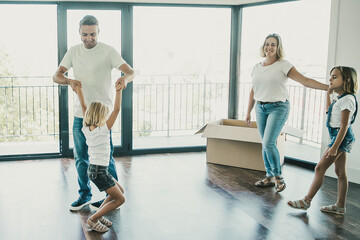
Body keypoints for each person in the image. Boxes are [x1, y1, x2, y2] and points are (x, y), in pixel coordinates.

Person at [53, 15, 134, 211]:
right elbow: (57, 76)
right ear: (79, 33)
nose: (88, 38)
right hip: (81, 115)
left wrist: (125, 79)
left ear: (99, 32)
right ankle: (84, 195)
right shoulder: (73, 52)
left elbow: (130, 71)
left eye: (92, 34)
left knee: (106, 156)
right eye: (84, 34)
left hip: (102, 115)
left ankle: (110, 195)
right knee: (81, 157)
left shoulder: (108, 51)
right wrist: (69, 81)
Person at [245, 33, 328, 192]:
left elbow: (304, 80)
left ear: (278, 48)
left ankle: (278, 176)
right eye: (267, 44)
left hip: (278, 107)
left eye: (273, 45)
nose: (269, 47)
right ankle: (269, 176)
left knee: (269, 142)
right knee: (265, 144)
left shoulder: (283, 65)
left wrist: (327, 88)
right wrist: (248, 112)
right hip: (260, 108)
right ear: (263, 47)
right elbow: (253, 91)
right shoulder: (257, 67)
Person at [288, 66, 358, 215]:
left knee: (319, 168)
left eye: (334, 77)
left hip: (341, 137)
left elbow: (344, 126)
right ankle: (340, 206)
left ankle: (306, 201)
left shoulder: (348, 99)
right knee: (340, 172)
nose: (330, 79)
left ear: (346, 80)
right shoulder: (341, 99)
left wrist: (334, 147)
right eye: (330, 76)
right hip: (338, 137)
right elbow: (329, 111)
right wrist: (328, 94)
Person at [75, 85, 125, 232]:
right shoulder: (104, 129)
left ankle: (98, 214)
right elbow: (116, 110)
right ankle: (93, 220)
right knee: (120, 199)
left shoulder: (86, 129)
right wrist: (118, 91)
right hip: (100, 171)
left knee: (119, 191)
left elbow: (84, 105)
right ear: (102, 116)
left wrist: (79, 91)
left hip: (95, 170)